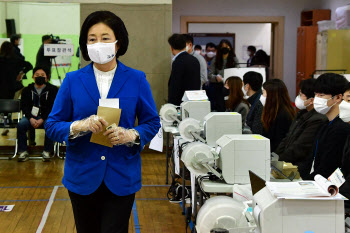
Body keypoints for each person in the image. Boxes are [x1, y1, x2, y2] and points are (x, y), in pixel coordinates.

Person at [45, 11, 160, 233]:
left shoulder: (137, 79)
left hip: (122, 174)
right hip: (82, 175)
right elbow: (52, 125)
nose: (98, 43)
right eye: (92, 39)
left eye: (105, 38)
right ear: (85, 45)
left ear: (118, 43)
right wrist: (80, 125)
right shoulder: (73, 80)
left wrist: (131, 135)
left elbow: (152, 122)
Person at [274, 79, 328, 178]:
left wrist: (279, 161)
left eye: (301, 94)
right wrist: (275, 157)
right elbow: (287, 137)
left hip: (298, 167)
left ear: (312, 100)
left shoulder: (318, 119)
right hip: (286, 162)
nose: (298, 96)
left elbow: (300, 147)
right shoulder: (301, 113)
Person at [304, 73, 350, 180]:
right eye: (316, 95)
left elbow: (329, 166)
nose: (316, 100)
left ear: (338, 97)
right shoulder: (325, 123)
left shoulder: (341, 127)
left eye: (321, 95)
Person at [17, 67, 58, 162]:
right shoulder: (27, 90)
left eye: (42, 75)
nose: (40, 77)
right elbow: (24, 106)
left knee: (50, 124)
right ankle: (23, 151)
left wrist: (42, 119)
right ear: (33, 77)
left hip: (46, 117)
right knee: (21, 124)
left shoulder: (52, 90)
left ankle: (47, 151)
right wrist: (31, 118)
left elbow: (52, 107)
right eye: (37, 75)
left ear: (47, 78)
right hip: (30, 117)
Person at [261, 79, 295, 152]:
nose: (262, 96)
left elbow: (278, 141)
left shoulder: (282, 114)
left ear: (271, 94)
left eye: (263, 92)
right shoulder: (273, 111)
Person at [168, 34, 201, 106]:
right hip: (194, 101)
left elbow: (175, 86)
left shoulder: (178, 62)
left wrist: (171, 104)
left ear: (171, 48)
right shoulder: (195, 60)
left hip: (180, 103)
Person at [208, 39, 239, 111]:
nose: (225, 48)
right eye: (223, 47)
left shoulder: (234, 59)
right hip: (218, 87)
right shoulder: (215, 59)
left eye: (227, 46)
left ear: (230, 48)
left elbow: (237, 72)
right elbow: (210, 75)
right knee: (220, 107)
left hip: (231, 87)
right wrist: (216, 77)